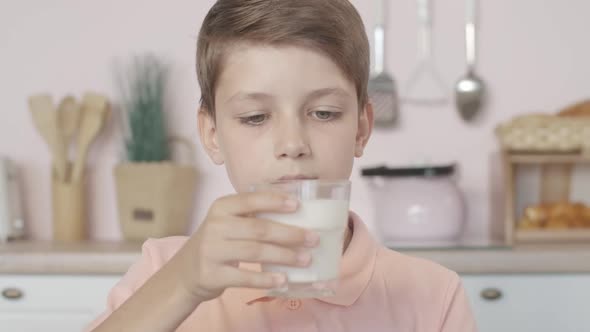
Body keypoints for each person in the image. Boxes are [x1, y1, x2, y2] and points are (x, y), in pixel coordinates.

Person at [87, 0, 478, 331]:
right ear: (211, 135)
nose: (293, 144)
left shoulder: (435, 296)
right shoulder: (164, 270)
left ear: (361, 130)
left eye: (324, 113)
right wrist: (183, 284)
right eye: (256, 117)